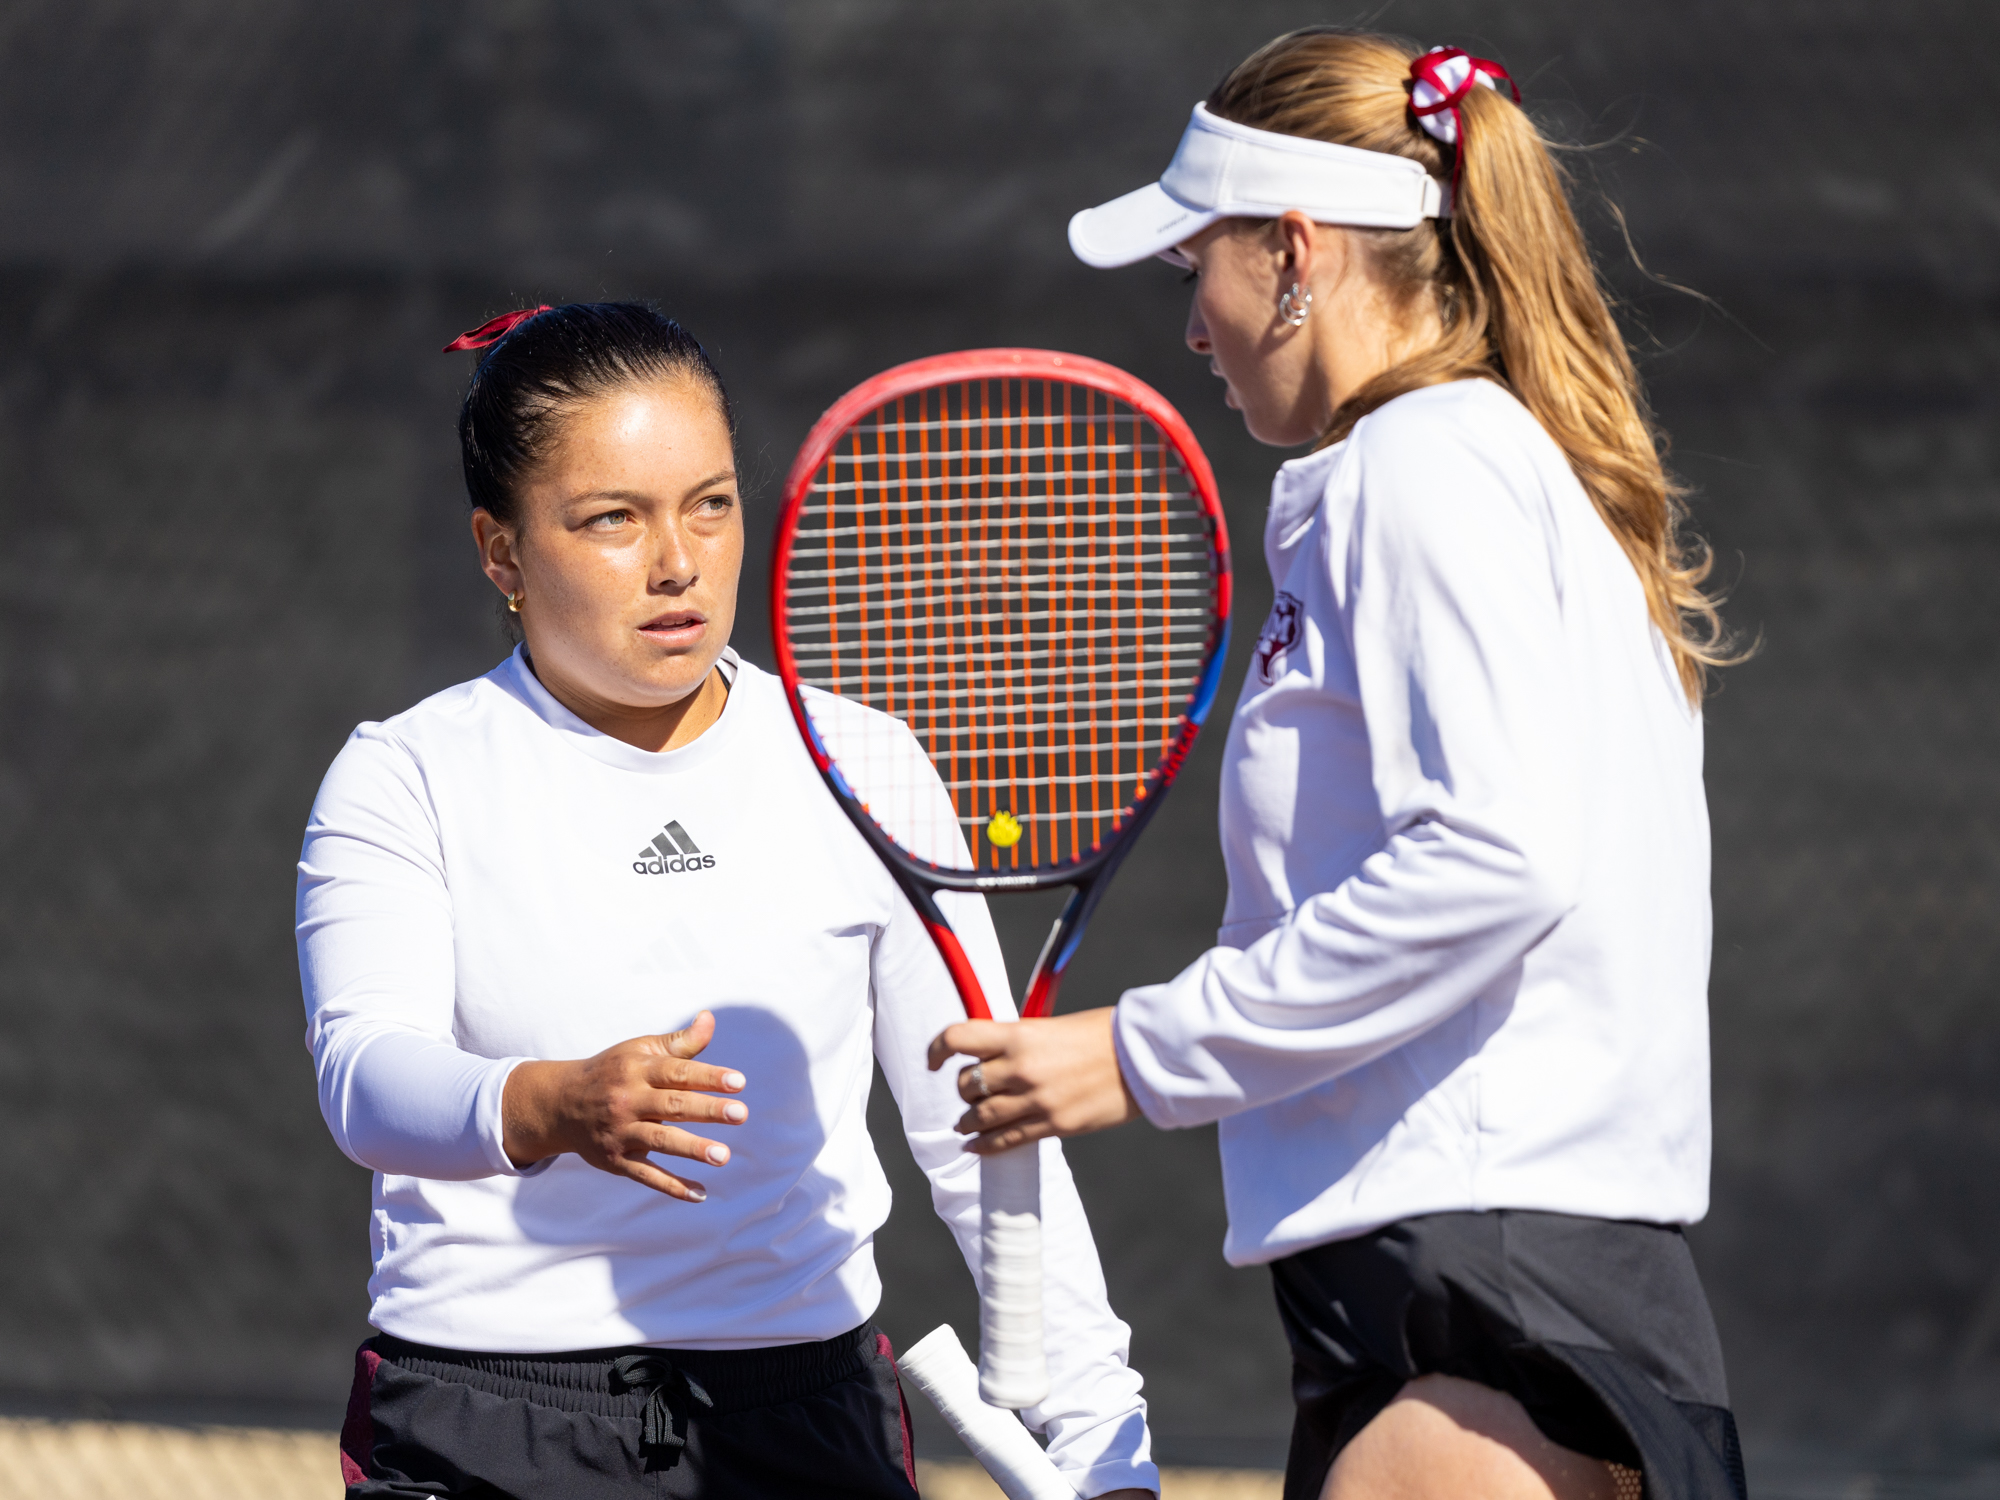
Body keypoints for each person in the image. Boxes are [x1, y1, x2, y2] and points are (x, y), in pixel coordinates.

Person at [931, 28, 1746, 1500]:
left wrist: (1133, 1052)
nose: (1194, 329)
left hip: (1482, 1292)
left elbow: (1496, 857)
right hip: (1498, 1291)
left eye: (1201, 273)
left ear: (1296, 254)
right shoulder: (1491, 464)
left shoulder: (1422, 463)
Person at [297, 301, 1157, 1499]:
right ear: (500, 553)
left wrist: (1102, 1437)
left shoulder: (862, 762)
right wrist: (553, 1104)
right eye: (611, 519)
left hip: (808, 1420)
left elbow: (979, 1123)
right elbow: (365, 1078)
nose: (678, 563)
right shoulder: (404, 772)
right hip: (478, 1420)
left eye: (709, 502)